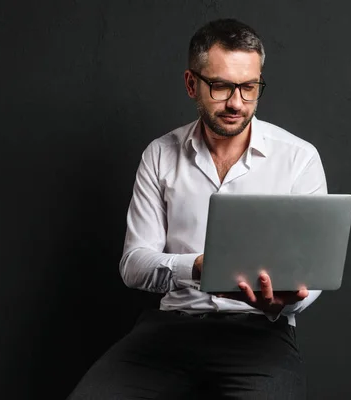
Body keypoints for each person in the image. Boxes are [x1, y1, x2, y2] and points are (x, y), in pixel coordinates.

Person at [68, 18, 328, 399]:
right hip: (169, 330)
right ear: (192, 84)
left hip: (261, 334)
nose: (237, 103)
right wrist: (195, 268)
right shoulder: (160, 155)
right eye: (221, 86)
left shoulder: (299, 159)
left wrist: (289, 298)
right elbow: (134, 263)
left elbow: (316, 268)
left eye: (249, 87)